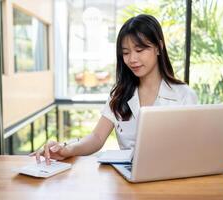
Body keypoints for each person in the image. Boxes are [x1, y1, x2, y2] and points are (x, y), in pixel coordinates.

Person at [30, 14, 198, 165]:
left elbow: (193, 148)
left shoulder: (184, 95)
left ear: (158, 47)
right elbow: (96, 137)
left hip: (170, 177)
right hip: (127, 179)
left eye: (139, 50)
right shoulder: (120, 93)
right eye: (125, 53)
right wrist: (67, 149)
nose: (132, 59)